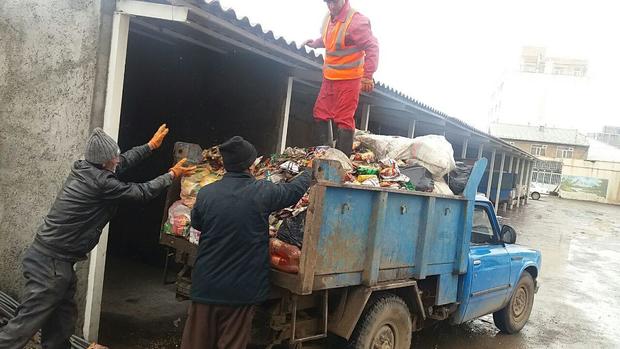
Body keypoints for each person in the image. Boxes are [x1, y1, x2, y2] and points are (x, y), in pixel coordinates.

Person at [0, 125, 196, 349]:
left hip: (57, 261)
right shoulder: (102, 183)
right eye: (114, 157)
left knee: (62, 320)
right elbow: (141, 192)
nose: (117, 160)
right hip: (50, 264)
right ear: (104, 162)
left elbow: (123, 161)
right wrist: (172, 175)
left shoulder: (89, 169)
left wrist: (150, 146)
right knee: (25, 325)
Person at [181, 136, 312, 349]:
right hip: (240, 292)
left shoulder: (206, 194)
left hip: (206, 286)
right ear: (251, 164)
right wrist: (309, 173)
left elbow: (197, 224)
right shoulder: (261, 192)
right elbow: (291, 192)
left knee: (197, 342)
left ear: (226, 164)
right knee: (231, 343)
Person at [304, 0, 379, 156]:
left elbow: (372, 46)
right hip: (329, 77)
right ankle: (325, 156)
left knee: (343, 119)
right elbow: (329, 39)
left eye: (335, 2)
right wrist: (316, 43)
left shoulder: (356, 21)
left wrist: (367, 76)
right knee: (320, 113)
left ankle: (341, 161)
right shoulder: (328, 18)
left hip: (349, 79)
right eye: (328, 2)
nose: (331, 6)